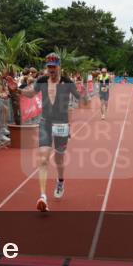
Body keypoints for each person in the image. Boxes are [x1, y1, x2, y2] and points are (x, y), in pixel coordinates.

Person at [20, 53, 81, 212]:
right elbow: (31, 93)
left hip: (61, 124)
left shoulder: (68, 82)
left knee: (59, 159)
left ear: (59, 66)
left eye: (54, 67)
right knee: (43, 159)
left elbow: (80, 98)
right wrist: (18, 90)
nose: (51, 70)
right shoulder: (41, 81)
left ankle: (60, 181)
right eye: (49, 67)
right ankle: (42, 196)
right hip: (45, 122)